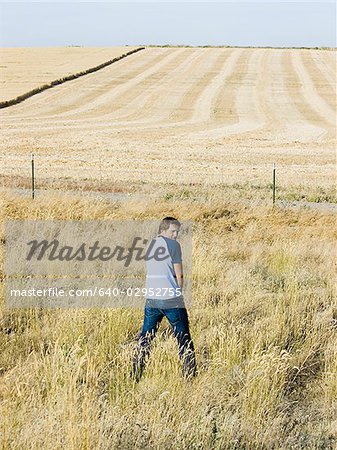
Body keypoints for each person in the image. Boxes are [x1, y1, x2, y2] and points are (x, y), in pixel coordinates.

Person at [132, 217, 196, 381]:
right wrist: (179, 292)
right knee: (183, 338)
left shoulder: (150, 244)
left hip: (152, 298)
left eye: (177, 232)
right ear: (163, 230)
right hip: (170, 298)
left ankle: (135, 373)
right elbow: (179, 274)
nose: (175, 235)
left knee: (146, 338)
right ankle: (189, 377)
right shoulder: (174, 245)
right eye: (172, 231)